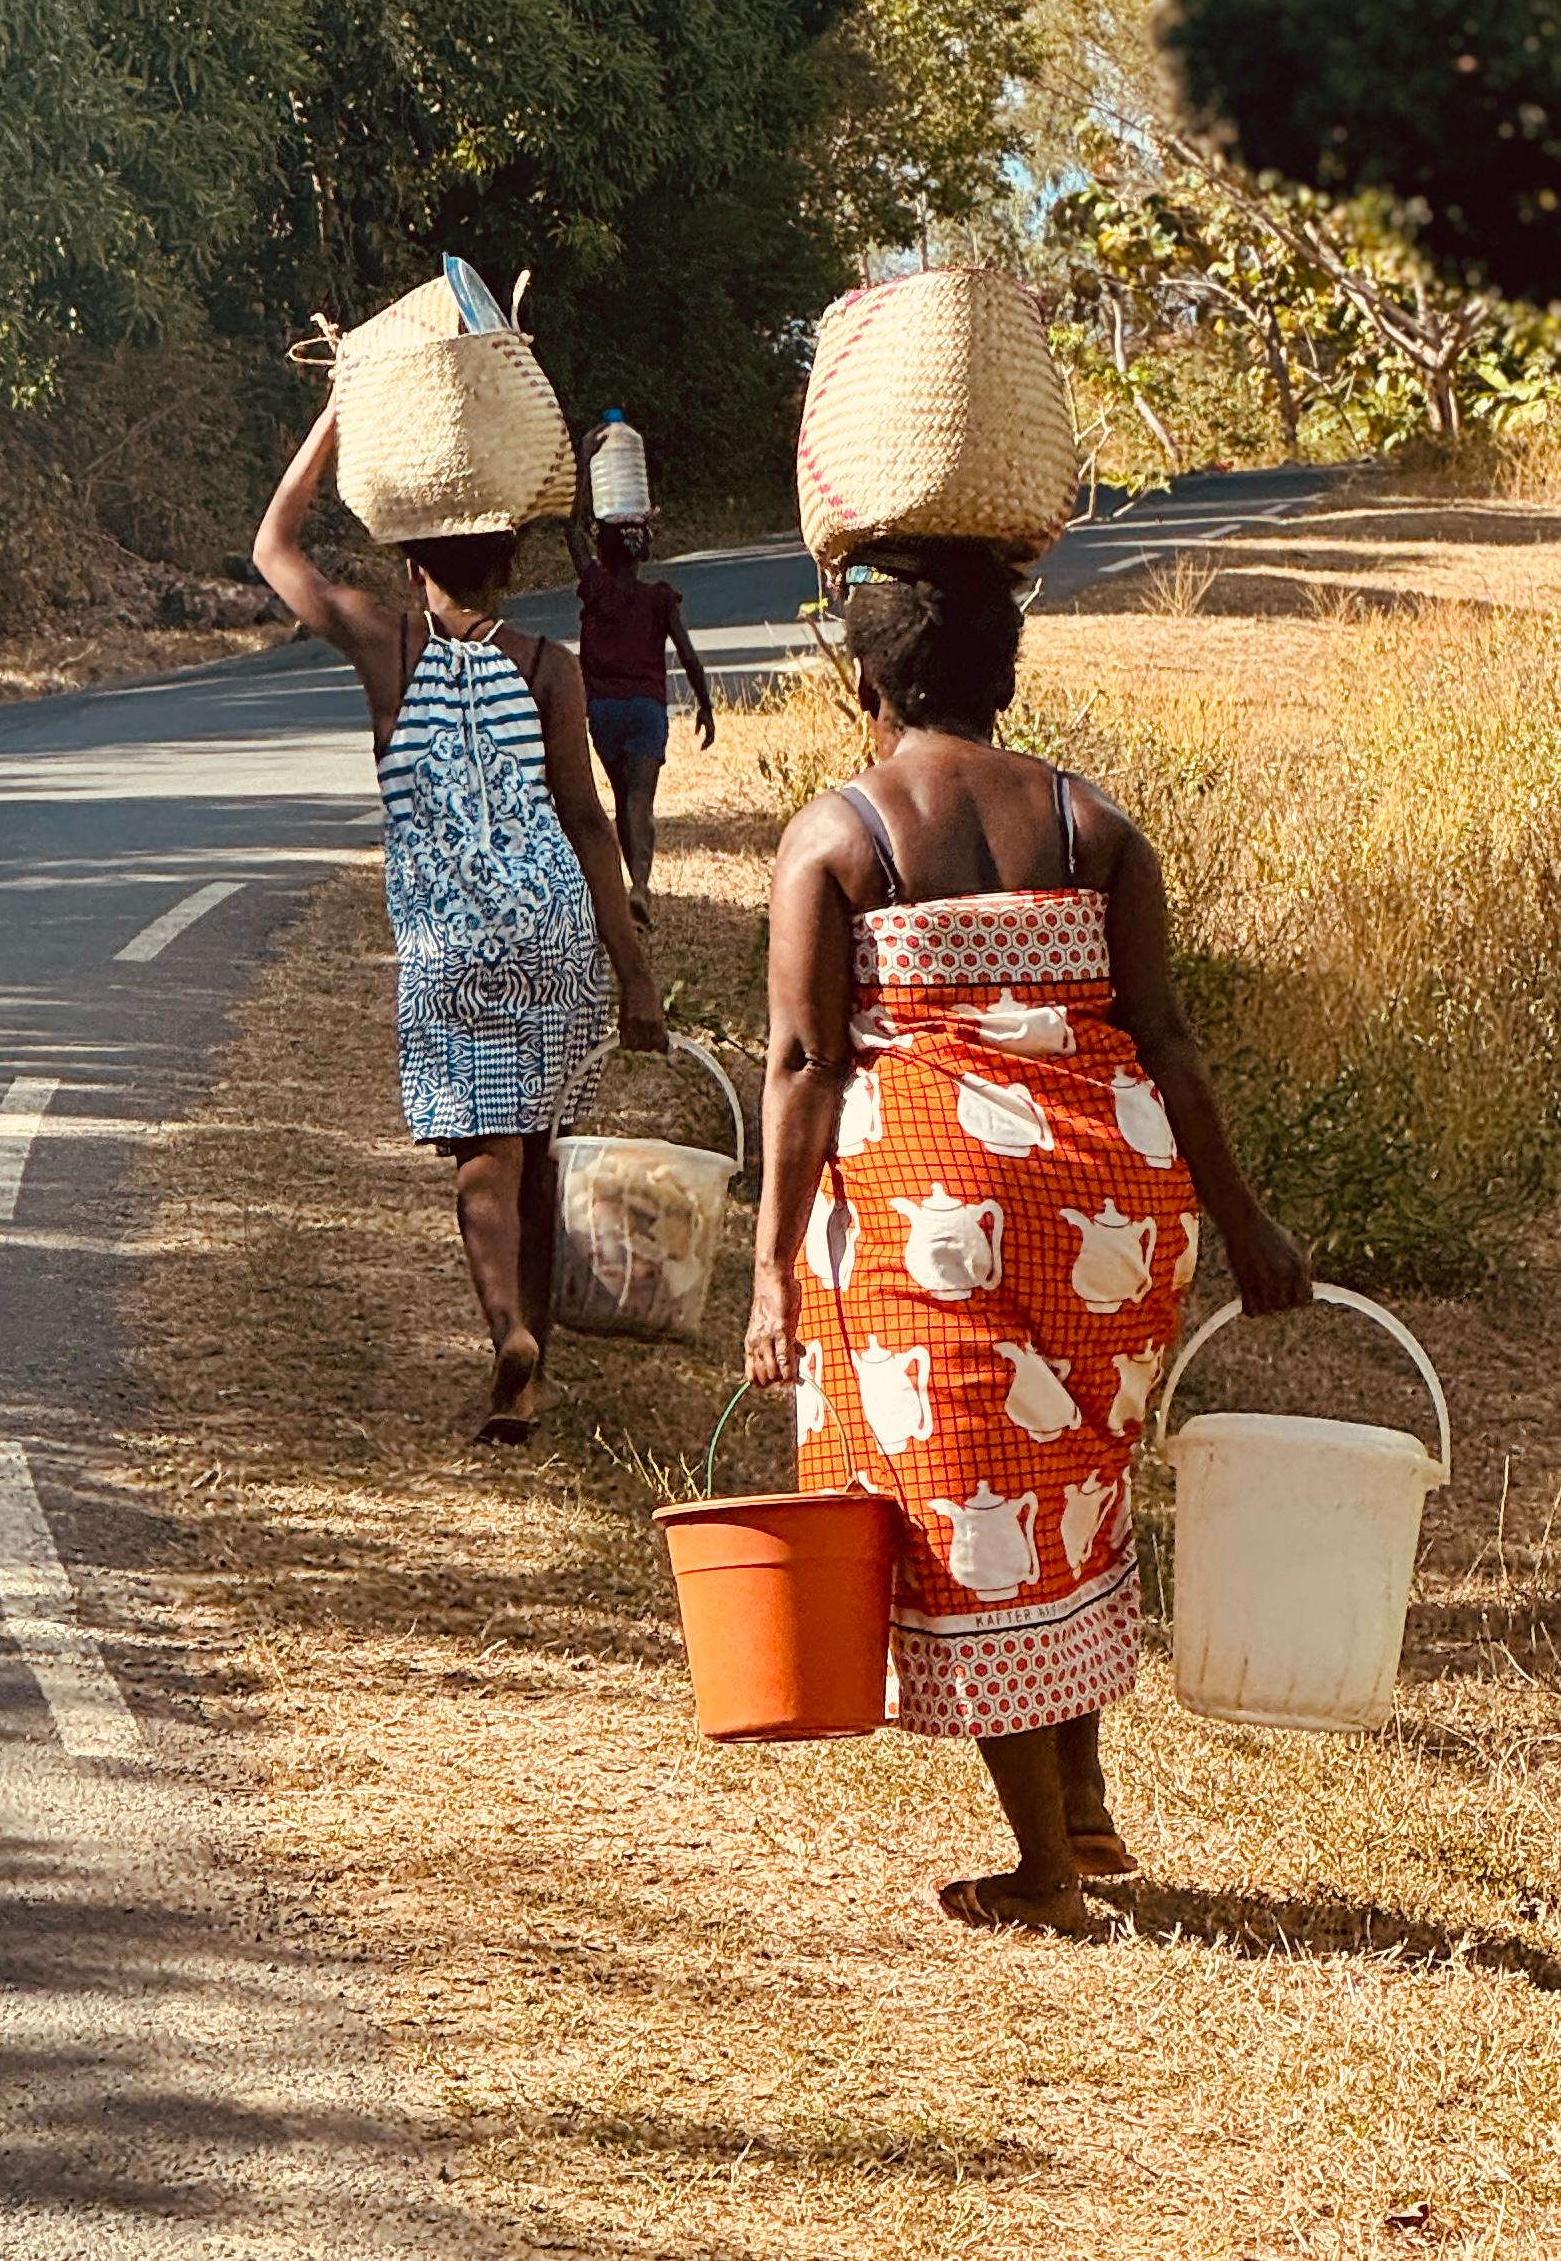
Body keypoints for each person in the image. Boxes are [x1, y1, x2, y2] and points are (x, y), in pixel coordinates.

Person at [744, 538, 1310, 1934]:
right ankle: (1088, 1799)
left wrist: (768, 1271)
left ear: (859, 669)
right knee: (1069, 1490)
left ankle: (1046, 1871)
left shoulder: (840, 834)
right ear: (1005, 672)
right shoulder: (1095, 824)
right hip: (1114, 1214)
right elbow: (1167, 1041)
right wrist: (1244, 1225)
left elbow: (807, 1063)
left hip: (939, 1213)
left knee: (975, 1524)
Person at [255, 404, 666, 1445]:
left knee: (481, 1158)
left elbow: (272, 548)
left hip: (451, 946)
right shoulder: (545, 666)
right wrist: (633, 973)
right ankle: (536, 1364)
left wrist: (340, 421)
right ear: (510, 566)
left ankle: (507, 1334)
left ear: (410, 569)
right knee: (538, 1146)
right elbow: (586, 821)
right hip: (555, 932)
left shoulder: (384, 650)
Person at [565, 442, 715, 930]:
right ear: (644, 549)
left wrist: (584, 465)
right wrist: (706, 705)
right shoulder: (659, 599)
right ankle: (640, 887)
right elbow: (688, 656)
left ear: (602, 549)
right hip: (647, 710)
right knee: (639, 801)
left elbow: (569, 529)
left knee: (620, 795)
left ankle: (629, 886)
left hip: (604, 710)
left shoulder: (596, 586)